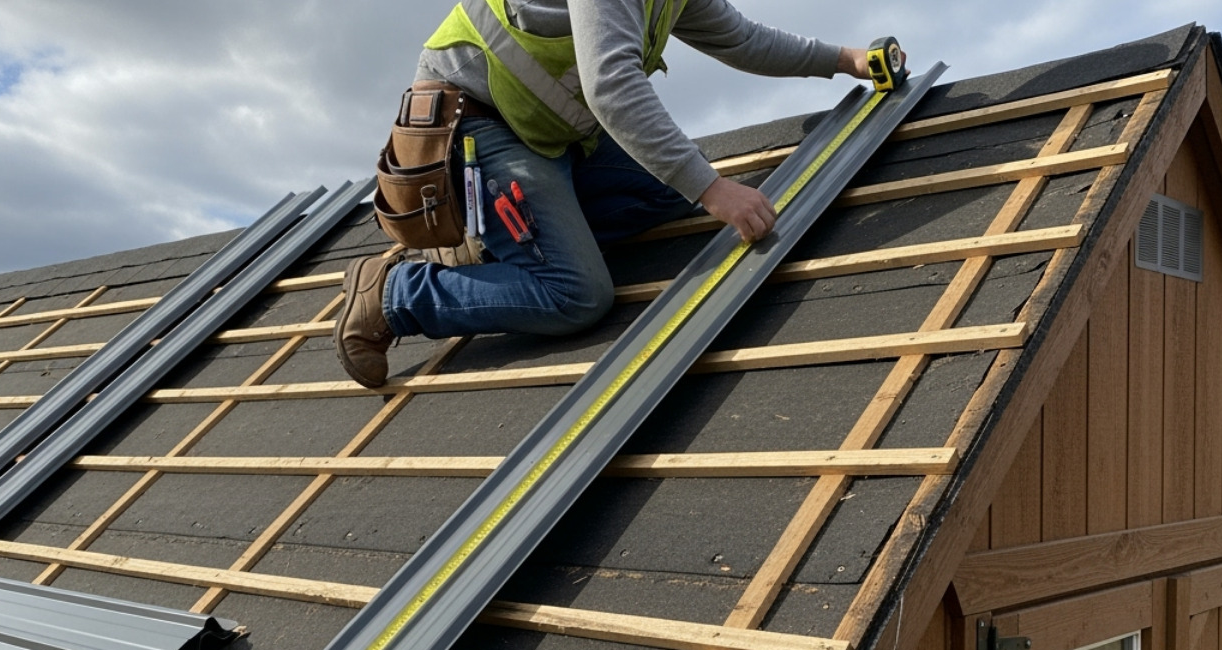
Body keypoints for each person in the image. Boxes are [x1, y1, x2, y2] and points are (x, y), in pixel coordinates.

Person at [334, 0, 881, 388]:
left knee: (671, 192)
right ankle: (395, 294)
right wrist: (714, 189)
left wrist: (846, 60)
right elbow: (611, 84)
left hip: (551, 131)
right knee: (576, 295)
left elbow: (740, 38)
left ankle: (514, 240)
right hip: (477, 124)